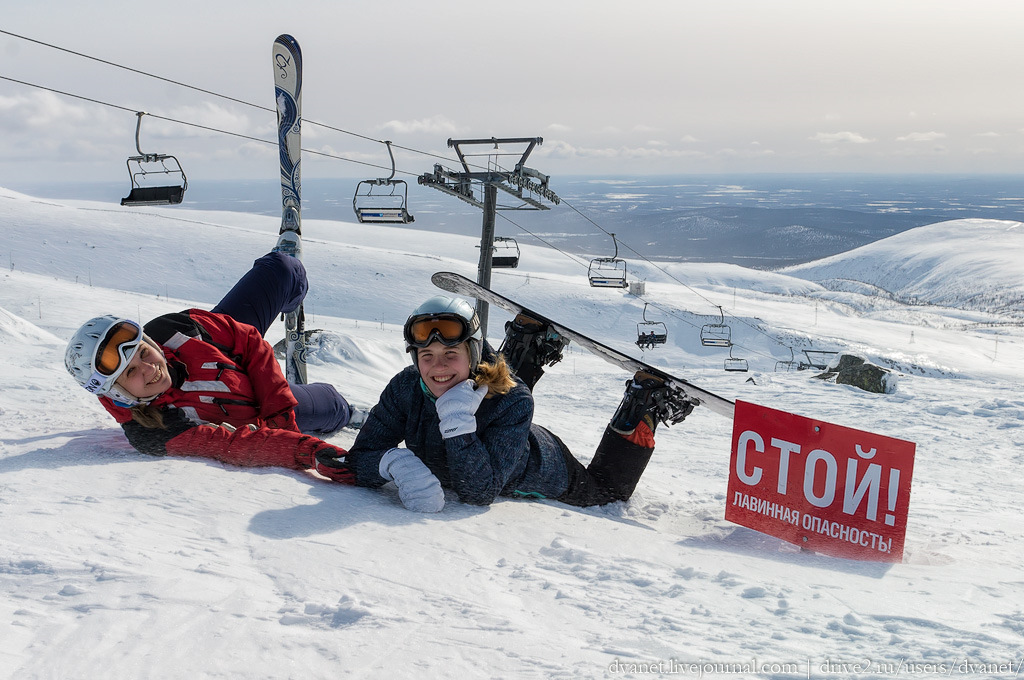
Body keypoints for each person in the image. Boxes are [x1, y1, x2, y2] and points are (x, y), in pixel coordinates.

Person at [346, 295, 697, 512]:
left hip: (542, 465)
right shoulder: (406, 387)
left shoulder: (514, 401)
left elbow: (479, 492)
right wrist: (392, 461)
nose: (437, 367)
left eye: (451, 354)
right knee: (495, 386)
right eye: (427, 355)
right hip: (509, 435)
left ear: (471, 352)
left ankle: (644, 403)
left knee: (606, 491)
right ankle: (527, 341)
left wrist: (455, 422)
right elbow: (359, 458)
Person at [64, 249, 379, 484]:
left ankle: (290, 299)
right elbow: (234, 446)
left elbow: (248, 340)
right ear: (117, 393)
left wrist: (278, 406)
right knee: (331, 404)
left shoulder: (172, 329)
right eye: (130, 372)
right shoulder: (151, 431)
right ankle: (351, 414)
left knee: (282, 268)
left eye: (144, 353)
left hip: (236, 361)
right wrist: (301, 445)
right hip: (252, 416)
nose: (149, 369)